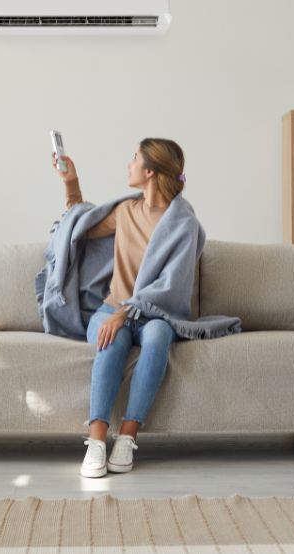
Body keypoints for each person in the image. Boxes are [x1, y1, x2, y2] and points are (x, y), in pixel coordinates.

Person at [51, 138, 188, 478]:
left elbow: (172, 285)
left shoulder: (183, 223)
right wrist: (71, 183)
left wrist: (125, 313)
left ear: (150, 171)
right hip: (110, 309)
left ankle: (127, 436)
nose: (129, 165)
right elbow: (79, 228)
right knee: (113, 339)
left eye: (134, 158)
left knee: (157, 336)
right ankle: (96, 440)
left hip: (155, 313)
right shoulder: (126, 212)